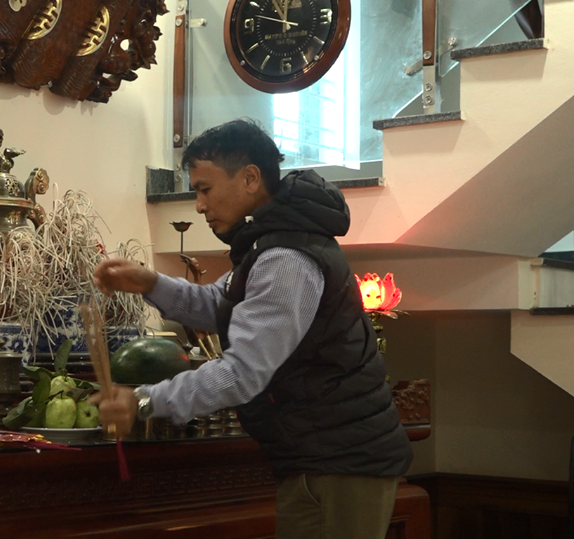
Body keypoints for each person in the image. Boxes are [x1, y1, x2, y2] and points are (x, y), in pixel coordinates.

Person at [92, 118, 413, 539]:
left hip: (337, 464)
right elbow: (221, 304)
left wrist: (144, 401)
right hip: (327, 456)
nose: (199, 206)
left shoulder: (286, 257)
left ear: (249, 178)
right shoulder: (274, 240)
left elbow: (242, 373)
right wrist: (150, 283)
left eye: (205, 189)